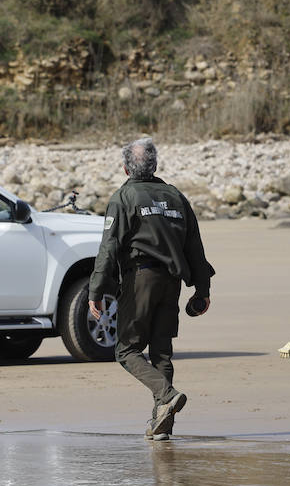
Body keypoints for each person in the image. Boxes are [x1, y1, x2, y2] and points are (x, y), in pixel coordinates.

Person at [90, 137, 213, 441]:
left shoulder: (124, 197)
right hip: (171, 283)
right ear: (155, 165)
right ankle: (162, 425)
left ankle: (166, 394)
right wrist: (202, 289)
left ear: (125, 168)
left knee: (125, 349)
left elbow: (109, 248)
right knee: (161, 352)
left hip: (141, 279)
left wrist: (97, 290)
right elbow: (195, 248)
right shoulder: (176, 196)